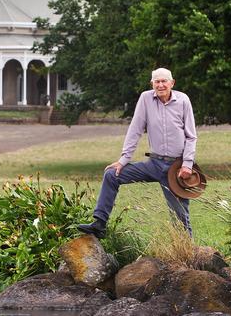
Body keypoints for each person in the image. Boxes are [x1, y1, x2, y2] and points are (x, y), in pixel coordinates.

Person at [78, 67, 197, 238]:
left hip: (176, 168)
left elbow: (191, 136)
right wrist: (123, 159)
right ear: (152, 84)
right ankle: (99, 224)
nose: (161, 85)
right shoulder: (145, 98)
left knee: (180, 218)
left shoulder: (183, 100)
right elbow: (135, 130)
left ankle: (188, 255)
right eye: (157, 81)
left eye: (164, 81)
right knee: (112, 175)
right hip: (154, 164)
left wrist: (187, 164)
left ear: (172, 83)